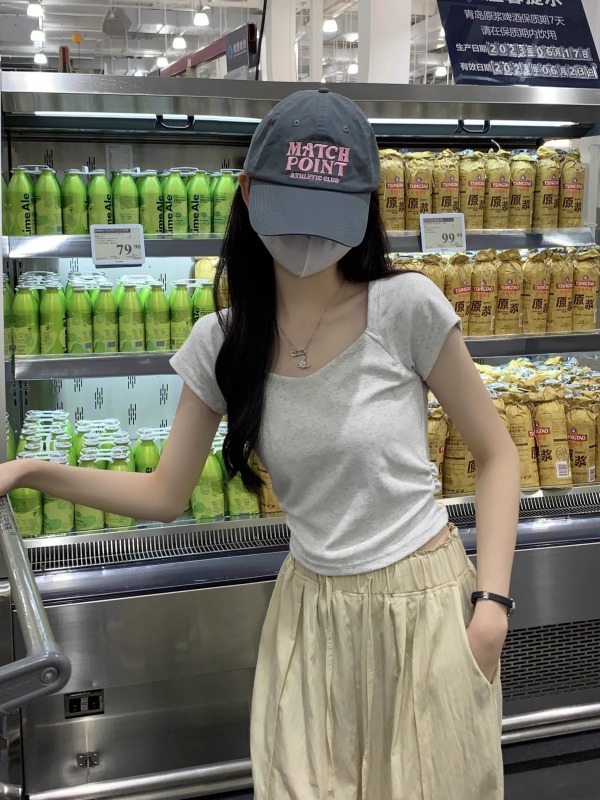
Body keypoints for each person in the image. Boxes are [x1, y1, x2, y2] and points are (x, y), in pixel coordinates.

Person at [0, 89, 520, 799]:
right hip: (311, 616)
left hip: (423, 606)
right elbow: (164, 494)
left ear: (365, 209)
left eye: (328, 213)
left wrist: (491, 608)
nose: (306, 237)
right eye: (291, 208)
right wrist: (30, 470)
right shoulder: (222, 341)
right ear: (247, 194)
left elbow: (497, 453)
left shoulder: (407, 308)